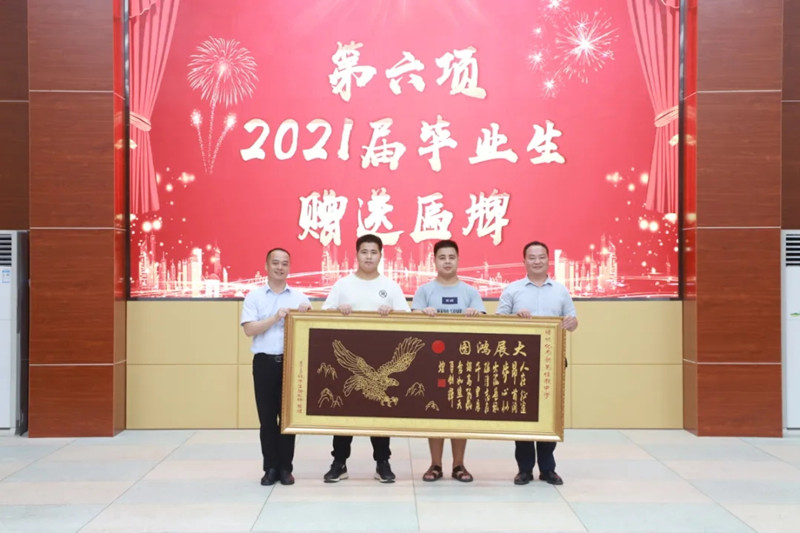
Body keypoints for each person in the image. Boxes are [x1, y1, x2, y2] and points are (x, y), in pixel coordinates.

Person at [321, 233, 410, 483]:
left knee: (379, 411)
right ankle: (339, 462)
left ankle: (382, 463)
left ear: (381, 256)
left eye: (373, 252)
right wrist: (338, 311)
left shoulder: (390, 286)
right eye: (364, 252)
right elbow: (323, 316)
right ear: (356, 255)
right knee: (345, 411)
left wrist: (392, 313)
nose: (368, 257)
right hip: (349, 362)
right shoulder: (343, 285)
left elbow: (407, 318)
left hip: (380, 359)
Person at [496, 240, 578, 486]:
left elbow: (572, 321)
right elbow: (498, 323)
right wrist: (515, 318)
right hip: (521, 363)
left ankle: (548, 469)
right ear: (524, 261)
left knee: (549, 415)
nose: (537, 261)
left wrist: (571, 323)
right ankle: (524, 469)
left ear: (548, 260)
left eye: (541, 257)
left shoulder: (560, 290)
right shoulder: (512, 290)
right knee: (523, 414)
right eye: (532, 257)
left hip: (553, 361)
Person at [411, 239, 485, 483]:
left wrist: (475, 315)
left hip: (461, 362)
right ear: (434, 261)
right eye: (442, 257)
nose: (447, 261)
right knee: (434, 411)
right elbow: (411, 322)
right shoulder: (424, 291)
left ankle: (459, 465)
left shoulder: (469, 292)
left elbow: (485, 324)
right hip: (431, 363)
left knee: (459, 412)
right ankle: (435, 464)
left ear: (458, 260)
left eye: (451, 257)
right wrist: (422, 314)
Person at [241, 248, 311, 486]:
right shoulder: (254, 297)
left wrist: (306, 315)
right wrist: (275, 317)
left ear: (289, 267)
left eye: (284, 263)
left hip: (291, 364)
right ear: (267, 266)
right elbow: (249, 329)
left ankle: (286, 468)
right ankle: (270, 467)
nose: (280, 267)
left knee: (288, 420)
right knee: (267, 419)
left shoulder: (300, 297)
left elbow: (308, 331)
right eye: (275, 263)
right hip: (264, 363)